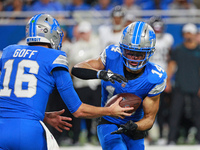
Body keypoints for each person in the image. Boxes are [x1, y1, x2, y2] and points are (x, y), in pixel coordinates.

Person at [0, 13, 134, 150]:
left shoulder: (8, 52)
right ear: (50, 34)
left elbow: (13, 102)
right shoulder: (54, 57)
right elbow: (78, 110)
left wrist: (42, 115)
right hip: (28, 132)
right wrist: (110, 111)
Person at [71, 21, 167, 150]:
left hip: (133, 126)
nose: (134, 58)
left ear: (149, 52)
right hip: (109, 121)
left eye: (139, 54)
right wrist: (102, 74)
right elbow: (77, 68)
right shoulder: (112, 55)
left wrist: (135, 126)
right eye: (130, 52)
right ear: (122, 49)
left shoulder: (154, 77)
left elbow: (149, 119)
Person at [166, 23, 200, 145]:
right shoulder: (179, 50)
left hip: (196, 86)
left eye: (190, 33)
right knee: (175, 113)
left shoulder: (199, 50)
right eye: (186, 33)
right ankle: (171, 139)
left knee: (198, 114)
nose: (188, 35)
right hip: (180, 85)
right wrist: (168, 81)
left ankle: (199, 139)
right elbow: (172, 65)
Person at [148, 16, 174, 145]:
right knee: (146, 107)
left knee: (163, 107)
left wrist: (168, 79)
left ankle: (163, 134)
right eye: (155, 27)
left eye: (159, 27)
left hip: (162, 77)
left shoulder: (168, 39)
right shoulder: (146, 39)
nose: (157, 30)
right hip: (148, 77)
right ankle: (148, 135)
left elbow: (170, 59)